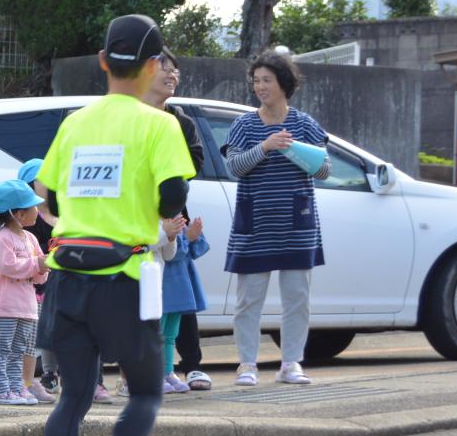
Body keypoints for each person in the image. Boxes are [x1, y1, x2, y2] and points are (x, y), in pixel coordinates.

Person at [32, 13, 194, 436]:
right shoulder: (160, 124)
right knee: (147, 389)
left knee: (74, 394)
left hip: (66, 272)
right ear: (152, 66)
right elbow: (174, 196)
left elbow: (50, 195)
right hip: (127, 272)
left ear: (102, 61)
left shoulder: (75, 122)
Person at [224, 49, 331, 387]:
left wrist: (295, 150)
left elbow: (325, 170)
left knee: (297, 298)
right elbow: (234, 167)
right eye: (256, 81)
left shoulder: (303, 123)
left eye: (266, 80)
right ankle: (247, 364)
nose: (260, 87)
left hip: (297, 225)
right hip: (255, 225)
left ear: (284, 83)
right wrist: (266, 146)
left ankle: (291, 363)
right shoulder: (244, 124)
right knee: (248, 300)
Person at [141, 51, 213, 391]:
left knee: (178, 290)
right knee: (144, 297)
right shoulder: (130, 115)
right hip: (136, 213)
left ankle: (190, 364)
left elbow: (195, 161)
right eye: (164, 69)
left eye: (175, 70)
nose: (172, 75)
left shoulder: (180, 119)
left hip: (170, 211)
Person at [0, 179, 48, 405]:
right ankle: (2, 391)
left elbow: (39, 272)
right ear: (18, 214)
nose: (37, 210)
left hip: (26, 307)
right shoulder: (1, 239)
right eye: (33, 207)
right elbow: (9, 266)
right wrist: (38, 264)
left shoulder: (30, 238)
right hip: (5, 308)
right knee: (1, 349)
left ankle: (16, 387)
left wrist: (42, 267)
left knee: (18, 350)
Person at [17, 159, 66, 403]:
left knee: (62, 326)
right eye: (39, 182)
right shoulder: (25, 222)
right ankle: (47, 373)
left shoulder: (60, 214)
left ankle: (60, 372)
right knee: (41, 331)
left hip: (60, 278)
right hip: (35, 283)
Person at [160, 213, 210, 393]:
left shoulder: (176, 215)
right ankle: (155, 374)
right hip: (163, 283)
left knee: (170, 334)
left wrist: (193, 235)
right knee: (157, 332)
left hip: (179, 283)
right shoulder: (156, 218)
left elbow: (197, 249)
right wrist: (188, 238)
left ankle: (167, 372)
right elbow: (168, 252)